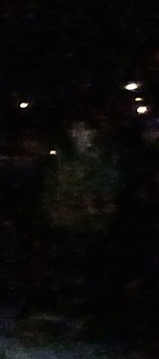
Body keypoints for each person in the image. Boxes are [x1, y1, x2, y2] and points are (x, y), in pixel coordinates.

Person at [33, 116, 119, 324]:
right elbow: (50, 188)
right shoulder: (62, 158)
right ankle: (62, 310)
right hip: (61, 221)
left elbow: (108, 191)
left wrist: (97, 212)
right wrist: (50, 212)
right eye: (75, 129)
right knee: (62, 266)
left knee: (85, 267)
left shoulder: (103, 158)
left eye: (84, 130)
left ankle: (85, 314)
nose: (78, 134)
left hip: (89, 224)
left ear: (93, 133)